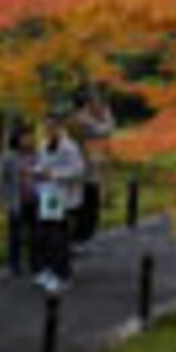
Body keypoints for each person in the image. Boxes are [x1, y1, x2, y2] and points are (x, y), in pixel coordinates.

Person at [33, 111, 85, 293]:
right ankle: (47, 270)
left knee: (58, 238)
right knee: (44, 235)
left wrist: (54, 175)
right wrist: (37, 171)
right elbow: (41, 163)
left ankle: (62, 274)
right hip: (47, 194)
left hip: (62, 196)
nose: (49, 129)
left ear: (59, 126)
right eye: (46, 126)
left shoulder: (70, 147)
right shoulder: (43, 145)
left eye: (52, 126)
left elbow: (78, 171)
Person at [71, 86, 115, 247]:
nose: (96, 105)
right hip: (84, 169)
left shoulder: (87, 118)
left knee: (91, 202)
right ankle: (80, 237)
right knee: (86, 204)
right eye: (92, 102)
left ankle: (85, 236)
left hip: (91, 167)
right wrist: (107, 115)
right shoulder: (80, 119)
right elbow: (104, 129)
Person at [0, 123, 37, 276]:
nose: (28, 140)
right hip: (17, 199)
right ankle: (14, 264)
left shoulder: (35, 154)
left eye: (29, 137)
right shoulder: (8, 156)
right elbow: (2, 179)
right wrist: (4, 199)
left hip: (35, 198)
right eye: (24, 137)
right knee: (15, 233)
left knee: (35, 232)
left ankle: (35, 262)